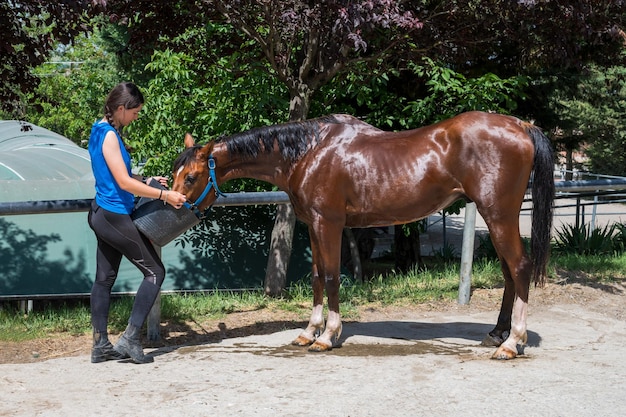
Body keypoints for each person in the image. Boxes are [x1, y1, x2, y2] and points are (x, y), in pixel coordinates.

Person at [87, 82, 186, 364]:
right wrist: (164, 194)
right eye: (135, 112)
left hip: (102, 213)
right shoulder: (109, 136)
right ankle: (130, 339)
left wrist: (147, 181)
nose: (136, 117)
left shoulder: (99, 129)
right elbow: (122, 182)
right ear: (121, 109)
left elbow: (116, 175)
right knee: (155, 271)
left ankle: (100, 345)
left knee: (104, 279)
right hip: (114, 214)